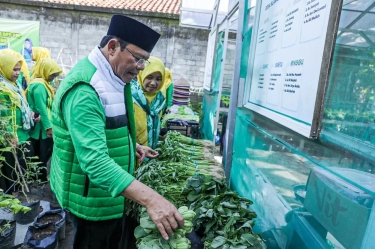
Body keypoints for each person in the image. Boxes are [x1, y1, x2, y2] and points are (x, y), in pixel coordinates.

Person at [49, 15, 184, 249]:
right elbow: (95, 161)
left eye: (145, 60)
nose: (141, 67)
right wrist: (152, 200)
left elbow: (108, 127)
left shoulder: (114, 77)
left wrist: (133, 146)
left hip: (110, 196)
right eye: (138, 58)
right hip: (92, 203)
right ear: (112, 47)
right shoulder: (85, 89)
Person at [0, 53, 37, 192]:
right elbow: (3, 114)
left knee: (23, 168)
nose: (17, 73)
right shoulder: (2, 88)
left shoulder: (14, 85)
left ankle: (18, 194)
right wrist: (10, 135)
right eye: (14, 69)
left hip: (22, 134)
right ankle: (11, 200)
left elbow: (22, 105)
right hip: (11, 138)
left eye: (18, 69)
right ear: (4, 67)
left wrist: (30, 114)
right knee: (11, 172)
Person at [26, 58, 62, 182]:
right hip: (41, 126)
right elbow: (41, 108)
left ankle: (38, 177)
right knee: (42, 152)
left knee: (39, 153)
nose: (53, 77)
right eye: (52, 74)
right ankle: (39, 178)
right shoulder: (40, 86)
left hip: (42, 125)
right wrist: (49, 127)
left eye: (55, 75)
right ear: (45, 71)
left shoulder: (43, 83)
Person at [132, 56, 168, 149]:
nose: (153, 83)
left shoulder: (159, 99)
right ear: (142, 74)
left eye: (158, 79)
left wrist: (158, 134)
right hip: (133, 151)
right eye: (149, 77)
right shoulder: (131, 96)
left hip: (150, 153)